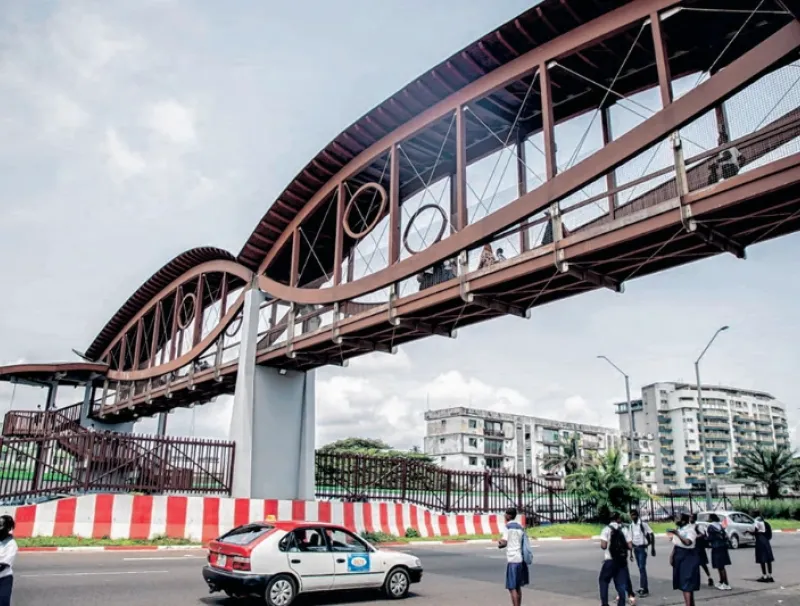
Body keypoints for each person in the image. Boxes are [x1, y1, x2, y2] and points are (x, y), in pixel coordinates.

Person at [498, 507, 532, 606]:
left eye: (506, 514)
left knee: (512, 587)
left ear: (509, 515)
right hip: (520, 559)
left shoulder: (507, 527)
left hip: (512, 559)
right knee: (518, 586)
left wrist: (499, 543)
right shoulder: (520, 527)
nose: (505, 515)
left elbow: (504, 543)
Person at [599, 511, 631, 606]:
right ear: (618, 519)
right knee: (621, 584)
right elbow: (630, 546)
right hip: (621, 561)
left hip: (610, 560)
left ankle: (605, 603)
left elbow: (604, 546)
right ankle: (621, 604)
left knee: (603, 580)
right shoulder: (624, 530)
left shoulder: (606, 530)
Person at [669, 513, 700, 606]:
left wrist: (677, 534)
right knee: (684, 583)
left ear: (683, 521)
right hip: (679, 555)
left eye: (678, 518)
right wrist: (672, 555)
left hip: (688, 557)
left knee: (686, 582)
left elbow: (688, 543)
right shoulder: (680, 529)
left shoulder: (690, 530)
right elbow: (676, 544)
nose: (675, 519)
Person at [629, 509, 655, 597]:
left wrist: (653, 548)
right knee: (640, 569)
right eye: (631, 515)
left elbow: (651, 534)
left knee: (642, 568)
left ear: (637, 515)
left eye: (634, 515)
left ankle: (645, 589)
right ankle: (642, 587)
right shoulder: (631, 526)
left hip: (642, 548)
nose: (633, 517)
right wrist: (631, 554)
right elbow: (630, 539)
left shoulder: (643, 524)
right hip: (635, 548)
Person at [706, 514, 732, 590]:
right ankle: (721, 581)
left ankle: (726, 583)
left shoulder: (711, 527)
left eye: (709, 517)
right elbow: (725, 535)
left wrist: (706, 539)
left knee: (720, 566)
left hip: (716, 547)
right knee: (721, 565)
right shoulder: (720, 525)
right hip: (723, 546)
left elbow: (710, 538)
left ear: (711, 518)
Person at [690, 514, 714, 587]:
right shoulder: (689, 526)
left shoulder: (698, 526)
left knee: (703, 564)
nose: (690, 519)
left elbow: (702, 534)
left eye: (691, 517)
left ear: (694, 518)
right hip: (693, 547)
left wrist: (694, 537)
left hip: (699, 547)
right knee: (694, 564)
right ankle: (695, 580)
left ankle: (709, 577)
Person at [752, 511, 775, 583]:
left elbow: (755, 532)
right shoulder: (766, 523)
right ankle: (770, 576)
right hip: (766, 542)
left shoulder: (757, 521)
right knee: (768, 559)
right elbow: (770, 534)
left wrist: (749, 532)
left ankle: (764, 576)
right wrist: (766, 539)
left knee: (762, 559)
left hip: (760, 541)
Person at [0, 515, 17, 606]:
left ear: (8, 528)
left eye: (0, 525)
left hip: (4, 580)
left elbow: (2, 565)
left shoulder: (11, 545)